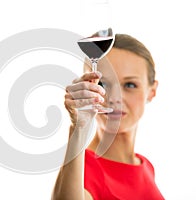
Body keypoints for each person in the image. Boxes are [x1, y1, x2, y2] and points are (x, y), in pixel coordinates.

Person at [51, 33, 164, 199]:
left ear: (152, 91)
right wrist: (79, 128)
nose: (115, 98)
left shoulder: (145, 166)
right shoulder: (83, 168)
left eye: (130, 85)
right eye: (103, 84)